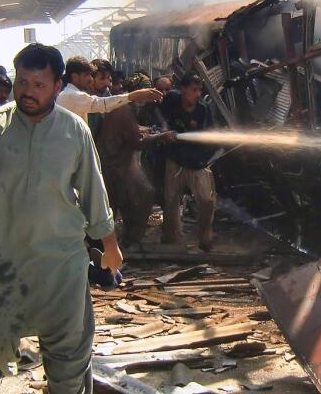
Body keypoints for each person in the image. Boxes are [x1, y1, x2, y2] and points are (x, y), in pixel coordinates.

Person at [0, 43, 122, 394]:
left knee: (70, 347)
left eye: (39, 84)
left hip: (61, 261)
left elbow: (92, 190)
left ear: (57, 85)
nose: (28, 91)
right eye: (22, 83)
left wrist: (109, 245)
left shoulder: (73, 130)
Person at [94, 73, 164, 247]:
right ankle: (129, 241)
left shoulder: (123, 107)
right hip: (115, 166)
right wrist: (161, 136)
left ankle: (116, 243)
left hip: (115, 163)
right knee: (143, 196)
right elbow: (137, 142)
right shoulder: (124, 109)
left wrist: (145, 130)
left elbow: (129, 130)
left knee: (120, 203)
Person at [159, 74, 217, 250]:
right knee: (170, 200)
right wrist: (163, 131)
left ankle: (205, 237)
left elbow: (210, 136)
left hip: (197, 162)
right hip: (175, 160)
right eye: (194, 89)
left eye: (200, 90)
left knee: (207, 200)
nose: (198, 93)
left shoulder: (203, 110)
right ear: (183, 89)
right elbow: (158, 116)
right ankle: (170, 237)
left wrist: (204, 158)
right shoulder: (171, 100)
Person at [56, 55, 162, 124]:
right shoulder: (72, 95)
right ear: (74, 77)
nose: (90, 79)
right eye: (86, 75)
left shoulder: (70, 94)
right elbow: (101, 104)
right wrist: (133, 95)